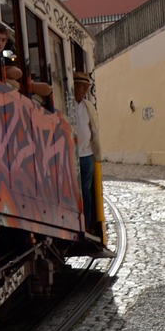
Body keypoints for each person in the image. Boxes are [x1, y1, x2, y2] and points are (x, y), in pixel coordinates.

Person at [73, 70, 101, 230]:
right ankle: (77, 223)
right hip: (72, 156)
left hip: (87, 155)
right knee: (75, 192)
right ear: (75, 87)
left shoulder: (88, 106)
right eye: (82, 87)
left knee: (86, 192)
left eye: (86, 87)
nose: (84, 91)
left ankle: (86, 223)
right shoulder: (67, 103)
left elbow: (94, 127)